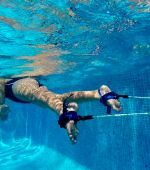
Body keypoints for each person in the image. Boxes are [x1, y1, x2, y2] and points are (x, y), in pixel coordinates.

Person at [0, 77, 122, 144]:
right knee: (52, 99)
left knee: (39, 96)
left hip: (16, 85)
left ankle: (65, 112)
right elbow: (3, 114)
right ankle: (98, 93)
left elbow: (3, 110)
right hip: (22, 84)